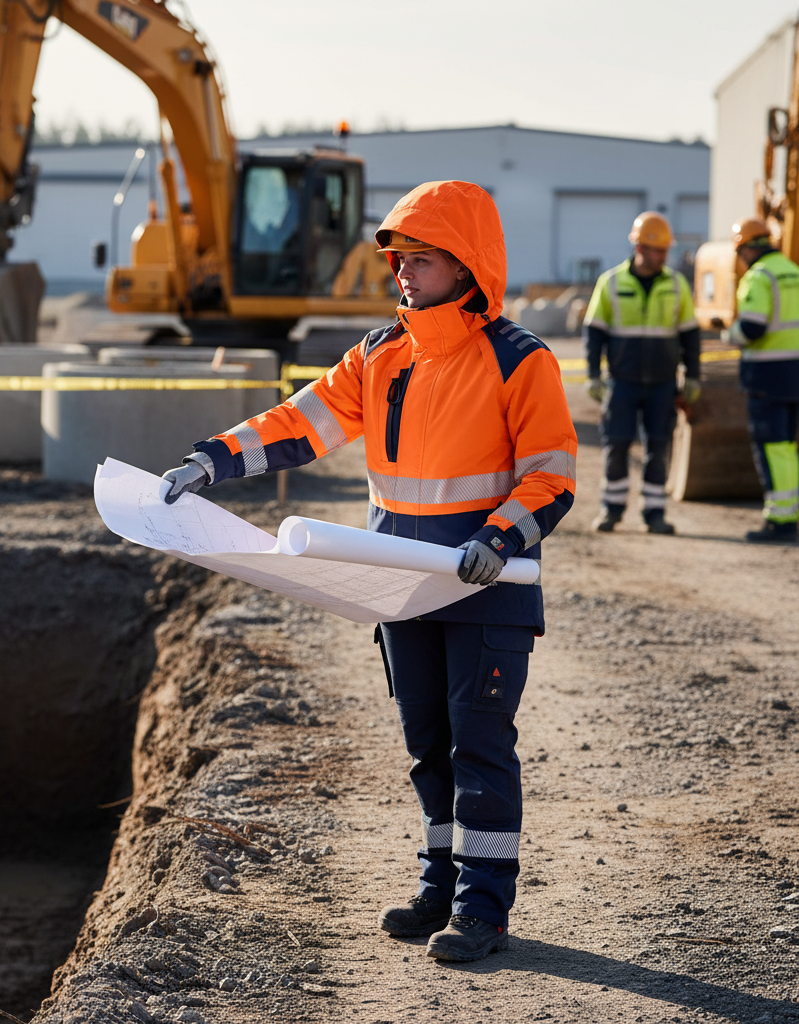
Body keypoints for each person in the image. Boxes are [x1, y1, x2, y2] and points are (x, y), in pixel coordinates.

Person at [161, 181, 577, 962]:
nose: (402, 273)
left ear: (467, 266)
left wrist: (500, 538)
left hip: (484, 589)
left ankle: (482, 909)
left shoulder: (521, 359)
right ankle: (440, 886)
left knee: (480, 748)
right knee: (428, 748)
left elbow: (550, 475)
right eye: (399, 260)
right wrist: (211, 461)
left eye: (421, 259)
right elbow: (300, 423)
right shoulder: (381, 354)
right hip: (400, 589)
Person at [583, 211, 701, 535]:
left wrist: (692, 376)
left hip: (662, 384)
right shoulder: (610, 282)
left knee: (658, 449)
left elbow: (690, 335)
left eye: (665, 251)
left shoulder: (676, 284)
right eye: (657, 251)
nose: (663, 257)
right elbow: (594, 333)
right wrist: (593, 375)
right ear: (639, 248)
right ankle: (611, 510)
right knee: (616, 445)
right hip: (622, 382)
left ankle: (654, 514)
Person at [728, 217, 799, 542]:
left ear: (745, 250)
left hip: (768, 378)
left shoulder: (759, 276)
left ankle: (780, 519)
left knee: (772, 448)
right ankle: (789, 514)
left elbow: (752, 327)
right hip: (793, 375)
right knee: (786, 448)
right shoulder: (792, 270)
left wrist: (730, 334)